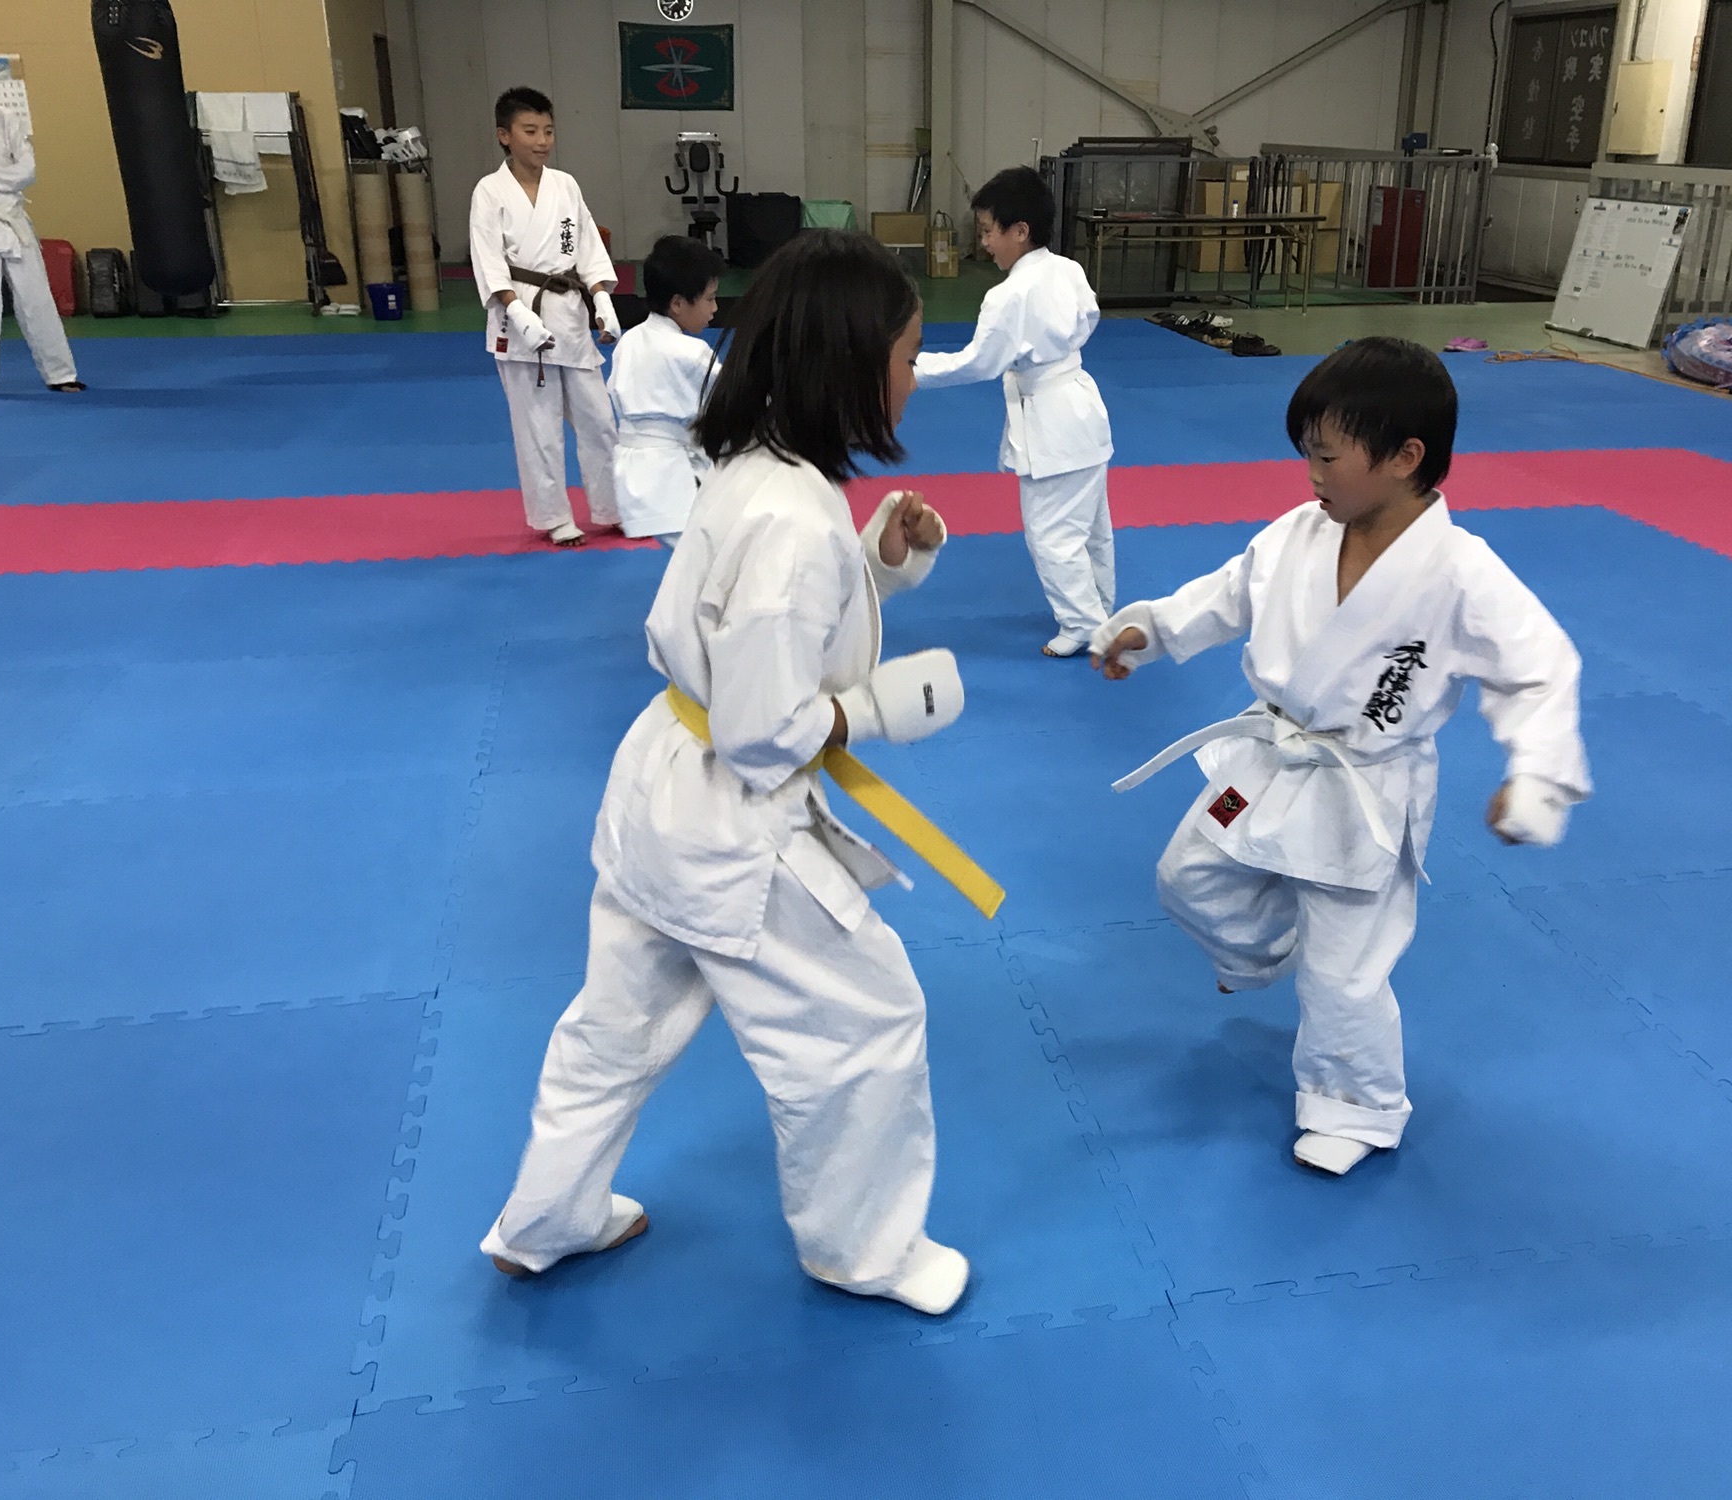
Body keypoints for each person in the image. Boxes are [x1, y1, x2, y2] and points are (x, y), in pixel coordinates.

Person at [482, 229, 974, 1316]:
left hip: (660, 789)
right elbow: (765, 728)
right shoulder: (794, 520)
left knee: (616, 1025)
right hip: (734, 820)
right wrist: (872, 709)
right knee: (866, 1023)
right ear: (850, 366)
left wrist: (880, 564)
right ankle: (867, 1250)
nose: (912, 377)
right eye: (905, 356)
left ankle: (545, 1219)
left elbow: (761, 630)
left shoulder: (757, 465)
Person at [1092, 337, 1590, 1176]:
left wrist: (1537, 778)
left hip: (1365, 789)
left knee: (1344, 975)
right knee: (1188, 875)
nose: (1311, 475)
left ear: (1405, 457)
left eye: (1327, 456)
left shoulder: (1460, 573)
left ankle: (1355, 1107)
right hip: (1267, 762)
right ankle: (1260, 952)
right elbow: (1230, 591)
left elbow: (1539, 666)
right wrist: (1155, 631)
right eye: (1307, 454)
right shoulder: (1297, 534)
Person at [913, 166, 1114, 659]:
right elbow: (1090, 315)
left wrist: (912, 369)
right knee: (1091, 527)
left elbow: (978, 363)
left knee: (1051, 534)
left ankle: (1085, 624)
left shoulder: (1007, 296)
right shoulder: (1068, 269)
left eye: (988, 231)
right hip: (1082, 406)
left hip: (1052, 423)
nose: (984, 243)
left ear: (1020, 231)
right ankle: (1100, 609)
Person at [468, 86, 622, 547]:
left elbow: (588, 247)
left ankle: (614, 507)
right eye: (530, 131)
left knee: (599, 420)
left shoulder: (565, 185)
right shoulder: (489, 191)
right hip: (519, 321)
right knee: (539, 428)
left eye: (548, 131)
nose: (542, 141)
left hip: (568, 315)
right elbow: (487, 260)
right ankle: (555, 517)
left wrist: (602, 299)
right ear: (505, 135)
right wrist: (517, 312)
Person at [0, 44, 82, 401]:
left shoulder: (6, 117)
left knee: (37, 299)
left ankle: (60, 373)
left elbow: (27, 171)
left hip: (11, 219)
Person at [607, 234, 722, 545]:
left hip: (633, 473)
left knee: (700, 559)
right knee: (711, 557)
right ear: (678, 303)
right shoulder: (691, 352)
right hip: (672, 473)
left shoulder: (629, 341)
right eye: (709, 299)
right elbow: (732, 399)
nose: (715, 308)